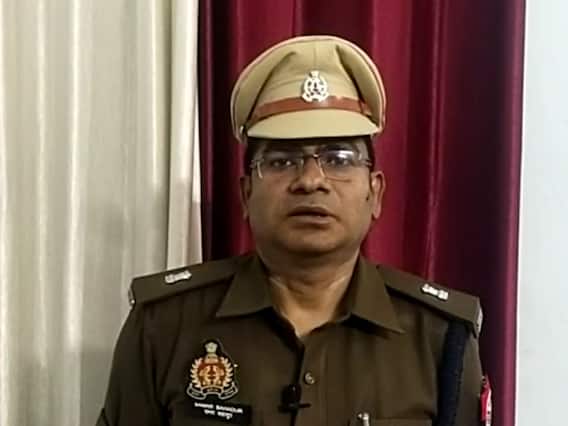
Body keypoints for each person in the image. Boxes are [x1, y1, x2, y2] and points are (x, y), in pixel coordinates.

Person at [97, 35, 489, 426]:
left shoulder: (439, 338)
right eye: (282, 161)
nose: (311, 180)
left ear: (375, 193)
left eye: (339, 158)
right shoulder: (165, 326)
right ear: (246, 194)